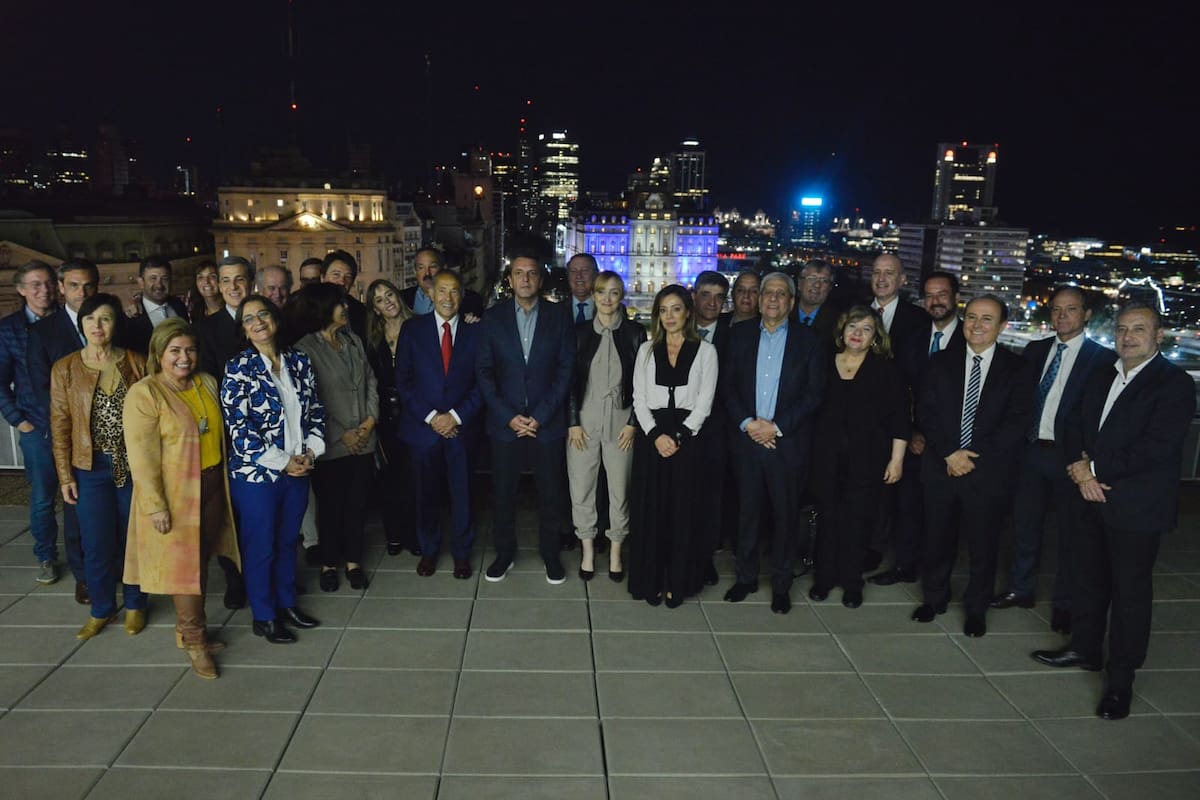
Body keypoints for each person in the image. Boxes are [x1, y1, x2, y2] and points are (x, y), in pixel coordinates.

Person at [1033, 304, 1195, 721]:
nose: (1128, 337)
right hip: (1088, 497)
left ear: (1160, 335)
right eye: (1122, 329)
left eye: (1139, 329)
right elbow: (1071, 423)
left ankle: (1119, 682)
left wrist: (1095, 469)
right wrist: (1078, 469)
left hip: (1136, 508)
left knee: (1129, 595)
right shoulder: (1103, 371)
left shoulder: (1173, 383)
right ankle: (1084, 650)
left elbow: (1157, 447)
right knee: (1088, 580)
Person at [992, 286, 1116, 633]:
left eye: (1071, 309)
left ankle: (1065, 604)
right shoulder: (1035, 350)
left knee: (1072, 536)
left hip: (1071, 459)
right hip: (1030, 452)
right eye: (1057, 310)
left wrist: (1089, 460)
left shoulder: (1102, 359)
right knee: (1024, 527)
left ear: (1086, 314)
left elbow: (1101, 415)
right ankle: (1021, 588)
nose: (1062, 316)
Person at [122, 318, 241, 679]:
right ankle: (194, 641)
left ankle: (187, 632)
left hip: (211, 485)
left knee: (200, 562)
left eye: (189, 349)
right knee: (183, 572)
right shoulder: (145, 394)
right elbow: (141, 458)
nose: (183, 357)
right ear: (158, 354)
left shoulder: (206, 382)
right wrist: (155, 505)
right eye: (174, 351)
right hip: (174, 496)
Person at [911, 295, 1031, 637]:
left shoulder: (1018, 368)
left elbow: (1016, 422)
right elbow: (926, 412)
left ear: (1002, 326)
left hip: (987, 471)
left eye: (987, 319)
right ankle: (934, 598)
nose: (977, 325)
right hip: (941, 466)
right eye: (972, 318)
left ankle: (976, 608)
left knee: (983, 544)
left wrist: (970, 456)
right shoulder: (939, 362)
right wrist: (951, 453)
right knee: (936, 538)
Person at [220, 295, 324, 643]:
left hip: (299, 469)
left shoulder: (299, 361)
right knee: (261, 545)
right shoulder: (238, 367)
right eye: (249, 319)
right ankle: (264, 616)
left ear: (275, 318)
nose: (258, 322)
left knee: (286, 542)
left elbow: (315, 412)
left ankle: (287, 604)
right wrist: (284, 462)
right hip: (257, 477)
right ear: (244, 330)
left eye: (263, 314)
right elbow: (238, 429)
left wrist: (310, 453)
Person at [722, 273, 825, 614]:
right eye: (768, 293)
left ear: (791, 303)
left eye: (781, 294)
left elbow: (813, 395)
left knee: (785, 518)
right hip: (748, 441)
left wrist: (775, 428)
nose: (772, 299)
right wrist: (750, 425)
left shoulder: (809, 341)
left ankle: (781, 585)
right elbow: (728, 387)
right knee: (747, 514)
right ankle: (746, 578)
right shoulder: (738, 336)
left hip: (787, 444)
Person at [50, 293, 149, 639]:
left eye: (105, 318)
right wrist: (65, 475)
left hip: (133, 465)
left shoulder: (136, 362)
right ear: (82, 324)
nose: (97, 325)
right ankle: (101, 608)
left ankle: (136, 604)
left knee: (133, 538)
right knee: (96, 541)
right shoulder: (65, 368)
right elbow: (60, 425)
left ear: (115, 324)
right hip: (89, 468)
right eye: (90, 319)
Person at [476, 251, 575, 584]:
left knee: (550, 494)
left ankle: (551, 555)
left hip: (546, 425)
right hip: (506, 427)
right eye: (518, 273)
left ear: (540, 279)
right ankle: (504, 554)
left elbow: (566, 370)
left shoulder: (559, 316)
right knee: (504, 494)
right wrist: (509, 417)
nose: (525, 279)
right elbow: (484, 373)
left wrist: (541, 416)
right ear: (510, 279)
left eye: (531, 273)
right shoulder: (492, 318)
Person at [809, 306, 908, 607]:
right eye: (853, 326)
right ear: (842, 329)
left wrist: (896, 460)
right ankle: (824, 579)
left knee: (857, 522)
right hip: (825, 458)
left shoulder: (886, 369)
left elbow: (900, 418)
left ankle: (852, 583)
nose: (857, 334)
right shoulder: (824, 362)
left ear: (875, 337)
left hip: (867, 461)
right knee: (827, 520)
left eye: (866, 329)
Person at [871, 271, 966, 587]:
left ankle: (936, 580)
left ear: (955, 297)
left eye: (942, 294)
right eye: (929, 295)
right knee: (906, 508)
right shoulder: (912, 337)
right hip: (912, 441)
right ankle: (904, 566)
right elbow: (901, 391)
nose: (935, 301)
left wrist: (938, 439)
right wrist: (911, 433)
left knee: (942, 518)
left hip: (951, 447)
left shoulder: (971, 339)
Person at [628, 284, 718, 607]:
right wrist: (655, 436)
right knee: (651, 512)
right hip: (652, 439)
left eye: (676, 309)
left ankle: (678, 581)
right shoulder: (646, 350)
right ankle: (649, 579)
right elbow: (639, 400)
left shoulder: (707, 352)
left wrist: (678, 436)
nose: (669, 317)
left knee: (682, 513)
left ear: (688, 313)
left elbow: (704, 404)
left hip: (687, 441)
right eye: (663, 310)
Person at [396, 270, 483, 578]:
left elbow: (482, 383)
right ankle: (429, 550)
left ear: (462, 295)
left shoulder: (476, 332)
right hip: (424, 430)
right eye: (443, 291)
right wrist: (433, 418)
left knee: (463, 495)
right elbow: (403, 382)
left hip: (462, 429)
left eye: (455, 291)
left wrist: (455, 416)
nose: (448, 298)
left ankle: (462, 553)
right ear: (431, 294)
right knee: (425, 494)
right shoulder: (412, 329)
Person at [293, 283, 378, 592]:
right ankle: (330, 563)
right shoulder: (304, 349)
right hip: (330, 444)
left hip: (364, 440)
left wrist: (369, 423)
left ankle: (354, 561)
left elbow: (370, 382)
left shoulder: (353, 340)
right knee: (330, 507)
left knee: (357, 505)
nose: (345, 308)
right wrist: (345, 433)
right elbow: (310, 401)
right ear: (323, 308)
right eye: (339, 303)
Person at [25, 259, 100, 601]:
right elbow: (42, 388)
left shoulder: (109, 321)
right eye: (73, 286)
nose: (81, 293)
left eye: (87, 286)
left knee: (111, 507)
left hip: (111, 435)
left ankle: (111, 567)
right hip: (72, 436)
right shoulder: (43, 332)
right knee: (75, 508)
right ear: (61, 288)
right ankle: (84, 575)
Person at [567, 271, 646, 581]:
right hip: (584, 420)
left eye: (614, 293)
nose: (608, 299)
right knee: (581, 486)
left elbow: (642, 384)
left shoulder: (635, 333)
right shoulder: (578, 332)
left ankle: (615, 550)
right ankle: (587, 549)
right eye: (602, 292)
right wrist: (572, 421)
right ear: (594, 295)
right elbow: (571, 382)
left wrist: (633, 424)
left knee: (619, 490)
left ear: (621, 296)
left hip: (620, 421)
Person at [0, 261, 69, 587]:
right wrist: (19, 421)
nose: (44, 291)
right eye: (36, 285)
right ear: (22, 289)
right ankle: (46, 556)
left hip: (73, 425)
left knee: (78, 494)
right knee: (43, 496)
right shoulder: (9, 329)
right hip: (36, 428)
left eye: (48, 284)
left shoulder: (66, 320)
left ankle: (82, 553)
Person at [193, 255, 252, 608]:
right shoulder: (206, 329)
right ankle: (235, 579)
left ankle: (267, 574)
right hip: (228, 436)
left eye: (240, 279)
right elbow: (207, 387)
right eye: (226, 280)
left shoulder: (266, 321)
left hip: (272, 435)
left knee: (263, 514)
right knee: (230, 515)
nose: (232, 287)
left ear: (251, 283)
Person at [366, 278, 418, 556]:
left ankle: (413, 533)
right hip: (386, 415)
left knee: (415, 477)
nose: (387, 301)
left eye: (390, 294)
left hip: (416, 412)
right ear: (375, 309)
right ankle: (394, 534)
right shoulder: (373, 340)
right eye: (379, 299)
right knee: (390, 477)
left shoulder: (420, 327)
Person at [125, 256, 190, 355]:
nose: (159, 285)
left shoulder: (179, 306)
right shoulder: (131, 317)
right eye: (153, 278)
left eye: (164, 279)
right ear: (141, 282)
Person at [401, 247, 486, 319]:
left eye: (433, 267)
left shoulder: (471, 301)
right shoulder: (403, 298)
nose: (427, 273)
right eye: (421, 268)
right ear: (414, 271)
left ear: (444, 268)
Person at [321, 250, 368, 342]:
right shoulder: (306, 309)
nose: (342, 281)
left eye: (348, 277)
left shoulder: (360, 311)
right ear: (322, 277)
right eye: (336, 275)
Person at [793, 259, 840, 343]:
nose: (817, 285)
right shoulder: (784, 313)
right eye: (812, 278)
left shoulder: (837, 322)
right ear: (799, 283)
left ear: (830, 288)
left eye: (824, 281)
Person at [567, 253, 598, 323]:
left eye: (584, 270)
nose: (578, 276)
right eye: (573, 271)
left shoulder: (611, 309)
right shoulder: (556, 310)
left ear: (595, 274)